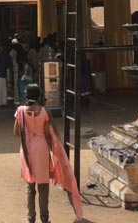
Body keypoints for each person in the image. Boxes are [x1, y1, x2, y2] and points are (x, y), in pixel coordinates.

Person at [13, 83, 83, 223]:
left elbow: (16, 133)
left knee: (30, 184)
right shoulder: (45, 112)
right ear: (39, 96)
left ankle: (30, 219)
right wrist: (56, 153)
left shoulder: (20, 111)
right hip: (41, 149)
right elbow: (48, 135)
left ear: (26, 95)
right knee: (43, 185)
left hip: (26, 151)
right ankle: (45, 219)